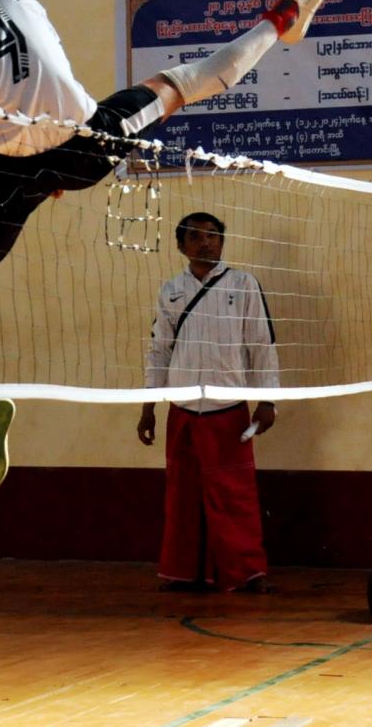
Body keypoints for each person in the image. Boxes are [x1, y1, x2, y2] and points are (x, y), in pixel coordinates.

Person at [0, 0, 333, 493]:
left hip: (6, 169)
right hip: (85, 144)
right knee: (187, 82)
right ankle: (283, 17)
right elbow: (47, 71)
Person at [137, 212, 278, 593]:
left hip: (228, 408)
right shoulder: (170, 290)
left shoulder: (243, 284)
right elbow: (159, 350)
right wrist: (149, 406)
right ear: (181, 246)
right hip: (182, 408)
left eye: (213, 235)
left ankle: (246, 573)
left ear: (222, 242)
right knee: (182, 495)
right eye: (196, 236)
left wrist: (268, 400)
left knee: (235, 496)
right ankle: (184, 572)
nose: (206, 242)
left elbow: (262, 345)